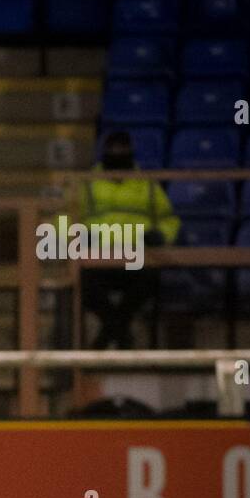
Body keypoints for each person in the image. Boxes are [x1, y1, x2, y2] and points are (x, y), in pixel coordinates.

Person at [77, 131, 181, 349]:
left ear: (131, 153)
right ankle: (121, 333)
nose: (117, 154)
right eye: (113, 150)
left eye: (122, 150)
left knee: (150, 280)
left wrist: (160, 235)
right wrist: (76, 235)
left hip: (137, 257)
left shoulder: (147, 185)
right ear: (103, 152)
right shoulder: (86, 183)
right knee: (83, 282)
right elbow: (64, 217)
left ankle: (108, 336)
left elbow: (169, 219)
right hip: (98, 258)